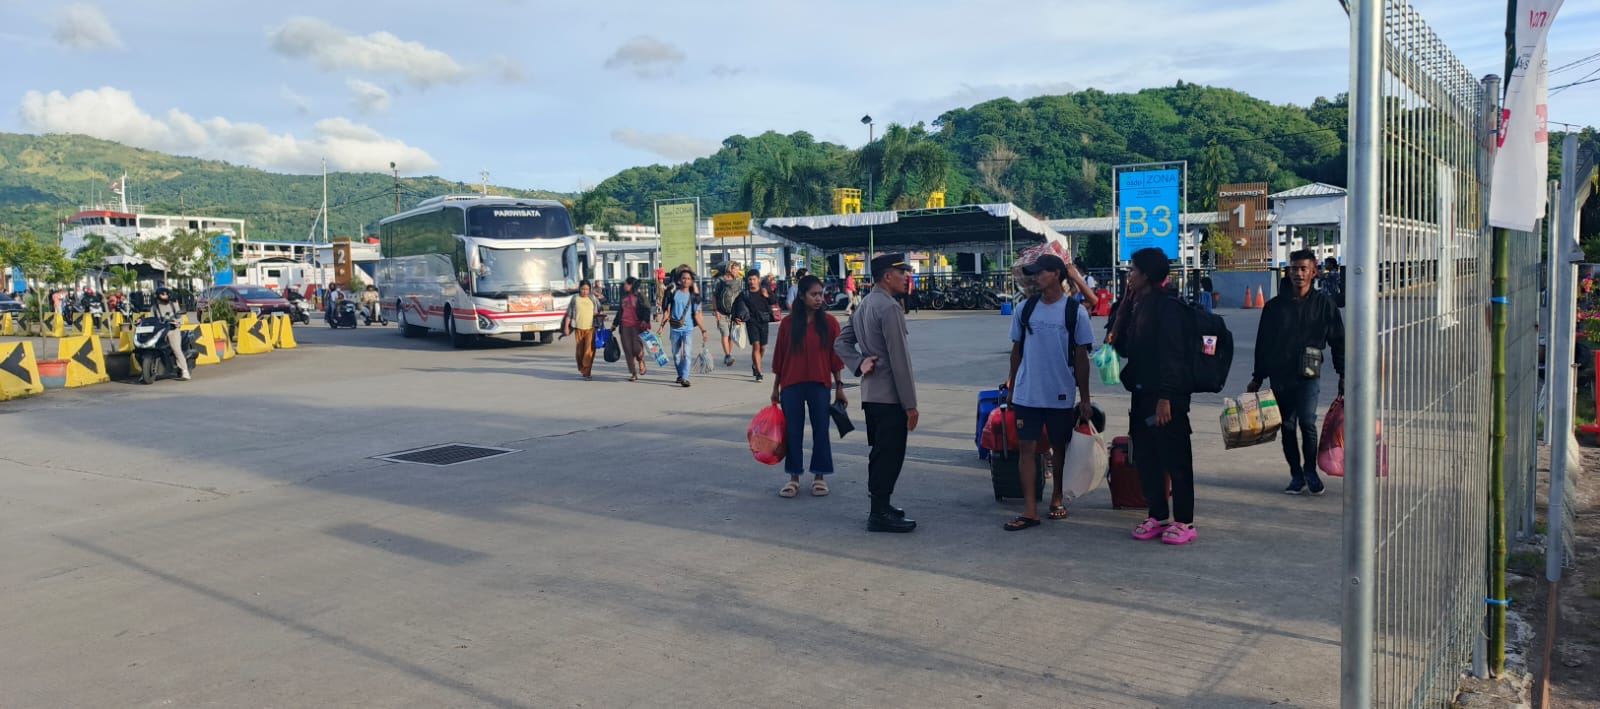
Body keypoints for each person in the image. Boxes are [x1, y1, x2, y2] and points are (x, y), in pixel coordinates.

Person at [1000, 254, 1096, 531]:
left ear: (1055, 274)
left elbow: (1081, 357)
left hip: (1060, 394)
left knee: (1059, 449)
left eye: (1040, 272)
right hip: (1027, 393)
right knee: (1027, 449)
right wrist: (1011, 384)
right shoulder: (1025, 309)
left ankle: (1057, 498)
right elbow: (1016, 350)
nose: (1035, 277)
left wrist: (1085, 398)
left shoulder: (1073, 312)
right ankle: (1030, 509)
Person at [1110, 247, 1197, 546]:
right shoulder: (1136, 305)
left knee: (1176, 460)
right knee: (1146, 458)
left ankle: (1184, 521)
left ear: (1146, 274)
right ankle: (1158, 515)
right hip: (1142, 393)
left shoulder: (1168, 308)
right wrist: (1119, 314)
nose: (1129, 275)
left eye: (1133, 270)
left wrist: (1167, 397)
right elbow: (1124, 349)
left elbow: (1174, 356)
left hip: (1167, 397)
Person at [835, 253, 919, 533]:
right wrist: (910, 404)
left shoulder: (866, 304)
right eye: (902, 272)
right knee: (890, 454)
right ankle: (879, 513)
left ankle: (880, 506)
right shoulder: (890, 308)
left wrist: (859, 363)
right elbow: (900, 360)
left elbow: (841, 342)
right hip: (890, 396)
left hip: (871, 396)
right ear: (887, 276)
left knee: (880, 453)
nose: (906, 277)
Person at [1250, 249, 1346, 496]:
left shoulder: (1325, 305)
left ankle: (1310, 471)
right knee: (1288, 427)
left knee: (1307, 421)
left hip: (1308, 375)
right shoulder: (1273, 308)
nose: (1299, 274)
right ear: (1288, 271)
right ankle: (1296, 475)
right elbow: (1263, 343)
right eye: (1294, 269)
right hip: (1280, 376)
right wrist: (1257, 377)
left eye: (1304, 269)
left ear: (1314, 272)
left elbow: (1338, 341)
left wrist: (1343, 373)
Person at [771, 275, 848, 498]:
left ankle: (819, 476)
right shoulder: (787, 324)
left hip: (819, 384)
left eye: (820, 294)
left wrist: (840, 386)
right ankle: (793, 477)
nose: (818, 298)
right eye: (814, 294)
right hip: (791, 385)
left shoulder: (830, 323)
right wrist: (775, 388)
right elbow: (780, 357)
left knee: (821, 431)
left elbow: (836, 358)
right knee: (792, 432)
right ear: (802, 296)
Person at [657, 269, 707, 387]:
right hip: (675, 328)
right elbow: (667, 312)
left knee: (687, 353)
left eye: (689, 279)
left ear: (691, 281)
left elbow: (697, 314)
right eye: (684, 278)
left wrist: (703, 330)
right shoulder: (674, 294)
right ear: (679, 280)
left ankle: (685, 377)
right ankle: (681, 374)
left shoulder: (693, 296)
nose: (686, 280)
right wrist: (661, 327)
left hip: (688, 329)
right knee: (676, 354)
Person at [733, 272, 776, 382]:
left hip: (764, 321)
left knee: (763, 347)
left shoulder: (764, 291)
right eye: (750, 279)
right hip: (751, 322)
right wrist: (735, 317)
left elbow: (774, 302)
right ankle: (759, 372)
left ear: (759, 280)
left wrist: (768, 296)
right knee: (756, 346)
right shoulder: (745, 294)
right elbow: (735, 306)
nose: (752, 281)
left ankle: (755, 365)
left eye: (754, 279)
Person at [561, 279, 605, 380]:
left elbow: (600, 308)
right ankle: (583, 368)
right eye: (582, 289)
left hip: (591, 328)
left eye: (587, 289)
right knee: (580, 352)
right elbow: (570, 314)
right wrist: (566, 327)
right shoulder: (575, 299)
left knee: (588, 351)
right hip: (578, 328)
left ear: (590, 289)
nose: (584, 291)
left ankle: (587, 371)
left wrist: (600, 314)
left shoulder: (593, 298)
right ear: (579, 289)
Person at [611, 277, 653, 381]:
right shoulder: (623, 297)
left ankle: (640, 360)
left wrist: (645, 320)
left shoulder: (640, 296)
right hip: (625, 327)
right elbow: (620, 312)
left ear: (632, 285)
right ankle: (633, 373)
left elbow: (647, 309)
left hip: (637, 327)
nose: (625, 286)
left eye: (627, 284)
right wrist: (614, 324)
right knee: (628, 351)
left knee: (637, 349)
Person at [150, 286, 191, 381]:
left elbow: (179, 316)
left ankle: (185, 371)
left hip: (173, 330)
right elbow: (152, 319)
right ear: (158, 295)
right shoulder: (154, 307)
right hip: (160, 331)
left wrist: (177, 322)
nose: (165, 296)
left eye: (166, 294)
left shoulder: (173, 304)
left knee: (176, 349)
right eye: (162, 294)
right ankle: (146, 372)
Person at [712, 262, 743, 366]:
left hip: (733, 314)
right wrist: (716, 310)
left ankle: (728, 355)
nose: (737, 272)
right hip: (722, 313)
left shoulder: (738, 281)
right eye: (735, 269)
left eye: (738, 269)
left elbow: (740, 298)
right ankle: (728, 355)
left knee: (731, 336)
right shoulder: (720, 281)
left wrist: (740, 313)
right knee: (725, 334)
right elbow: (714, 296)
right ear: (730, 269)